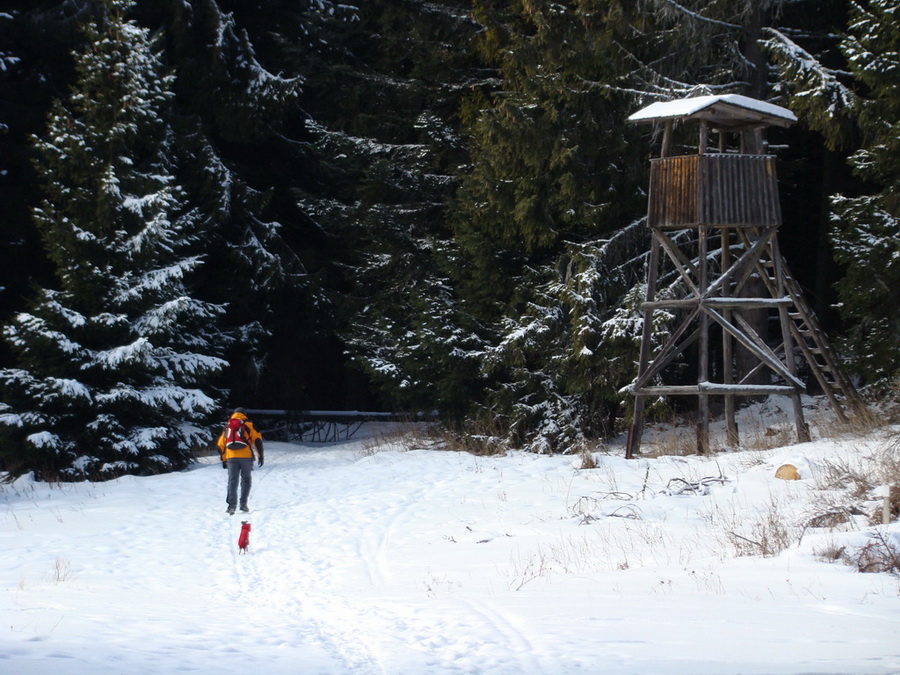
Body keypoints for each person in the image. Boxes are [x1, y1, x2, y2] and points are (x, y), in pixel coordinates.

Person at [216, 408, 264, 515]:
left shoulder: (228, 426)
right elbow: (257, 441)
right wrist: (260, 456)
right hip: (246, 456)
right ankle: (243, 504)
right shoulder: (248, 424)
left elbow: (220, 445)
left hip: (231, 457)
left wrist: (224, 459)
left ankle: (231, 506)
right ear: (244, 414)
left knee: (232, 480)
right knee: (246, 479)